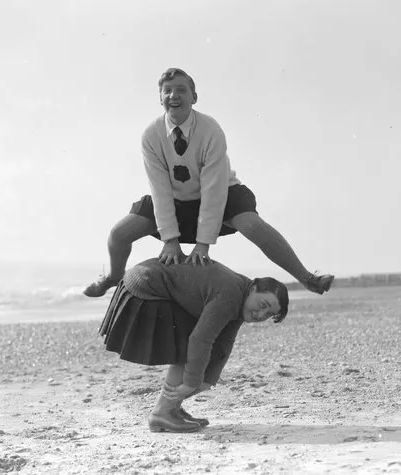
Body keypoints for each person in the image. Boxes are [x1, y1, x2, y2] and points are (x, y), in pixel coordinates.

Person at [84, 67, 333, 298]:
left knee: (253, 226)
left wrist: (203, 246)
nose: (174, 95)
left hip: (221, 192)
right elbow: (159, 189)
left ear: (194, 97)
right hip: (175, 199)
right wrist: (170, 240)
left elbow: (214, 190)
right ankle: (114, 277)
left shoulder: (210, 129)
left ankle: (308, 278)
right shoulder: (151, 135)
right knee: (118, 234)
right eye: (167, 91)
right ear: (160, 99)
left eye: (181, 90)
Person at [99, 258, 289, 432]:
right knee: (189, 344)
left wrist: (208, 380)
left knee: (195, 351)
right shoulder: (231, 294)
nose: (261, 314)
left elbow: (225, 341)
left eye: (269, 314)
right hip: (145, 286)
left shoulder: (241, 299)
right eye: (263, 304)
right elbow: (200, 340)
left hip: (153, 285)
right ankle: (162, 413)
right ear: (254, 288)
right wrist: (192, 382)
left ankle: (172, 409)